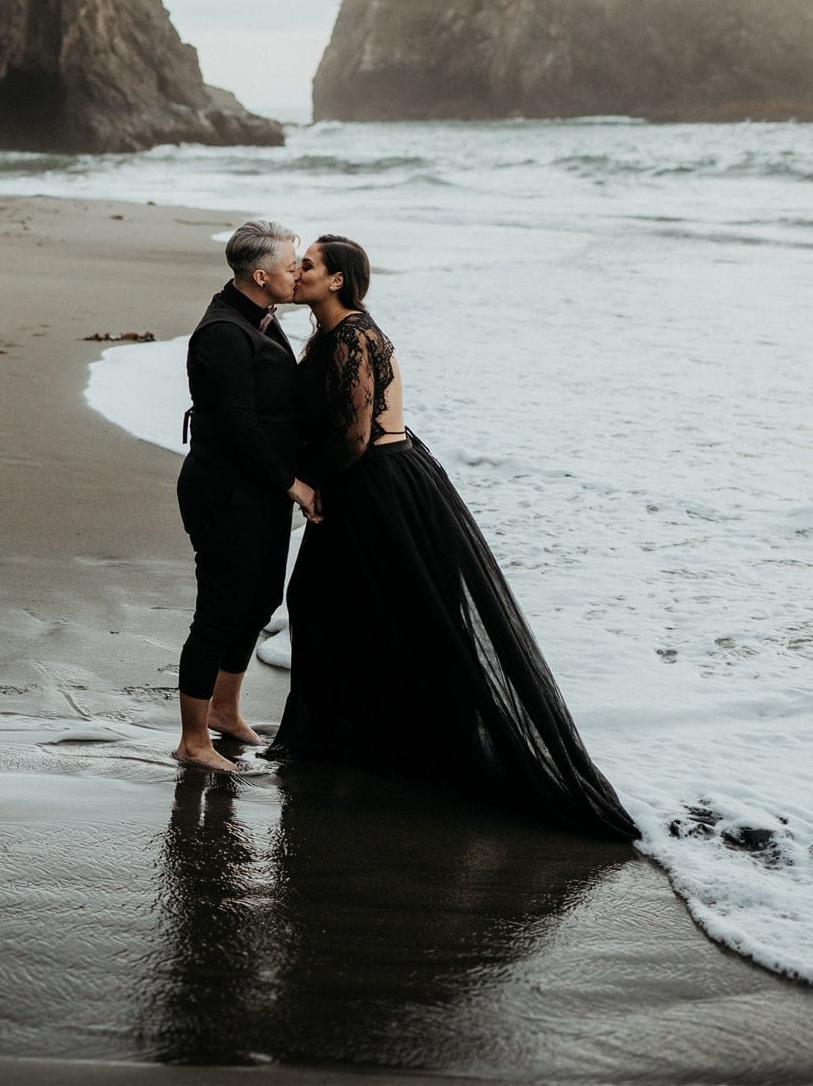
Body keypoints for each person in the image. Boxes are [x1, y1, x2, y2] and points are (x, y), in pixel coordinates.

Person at [264, 235, 637, 842]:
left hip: (377, 486)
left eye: (308, 264)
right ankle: (352, 737)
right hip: (366, 483)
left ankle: (392, 744)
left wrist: (308, 486)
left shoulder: (355, 336)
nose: (296, 271)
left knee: (385, 611)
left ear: (336, 280)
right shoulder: (328, 334)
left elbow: (356, 435)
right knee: (333, 606)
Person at [175, 220, 320, 772]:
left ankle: (225, 712)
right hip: (225, 490)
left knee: (259, 601)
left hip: (258, 491)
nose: (298, 272)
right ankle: (191, 740)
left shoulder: (258, 317)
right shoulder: (221, 333)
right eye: (291, 266)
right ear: (260, 276)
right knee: (218, 611)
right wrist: (295, 485)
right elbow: (240, 428)